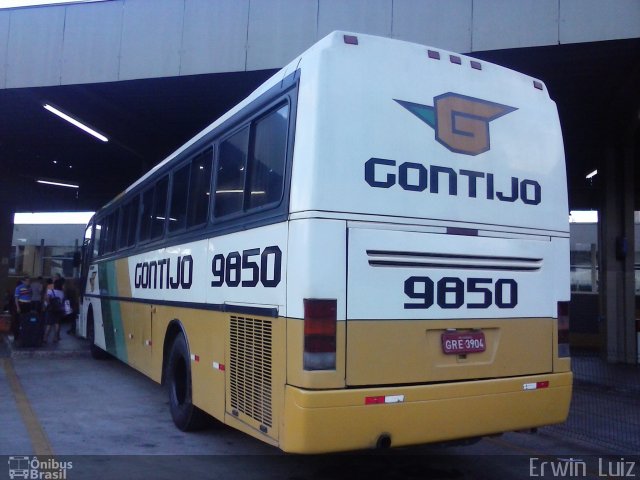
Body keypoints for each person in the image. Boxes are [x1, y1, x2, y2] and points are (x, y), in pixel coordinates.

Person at [43, 278, 65, 344]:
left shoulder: (50, 291)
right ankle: (55, 337)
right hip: (58, 310)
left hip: (51, 309)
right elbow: (62, 301)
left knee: (49, 324)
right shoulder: (62, 293)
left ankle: (45, 338)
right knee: (57, 323)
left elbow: (47, 299)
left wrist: (47, 303)